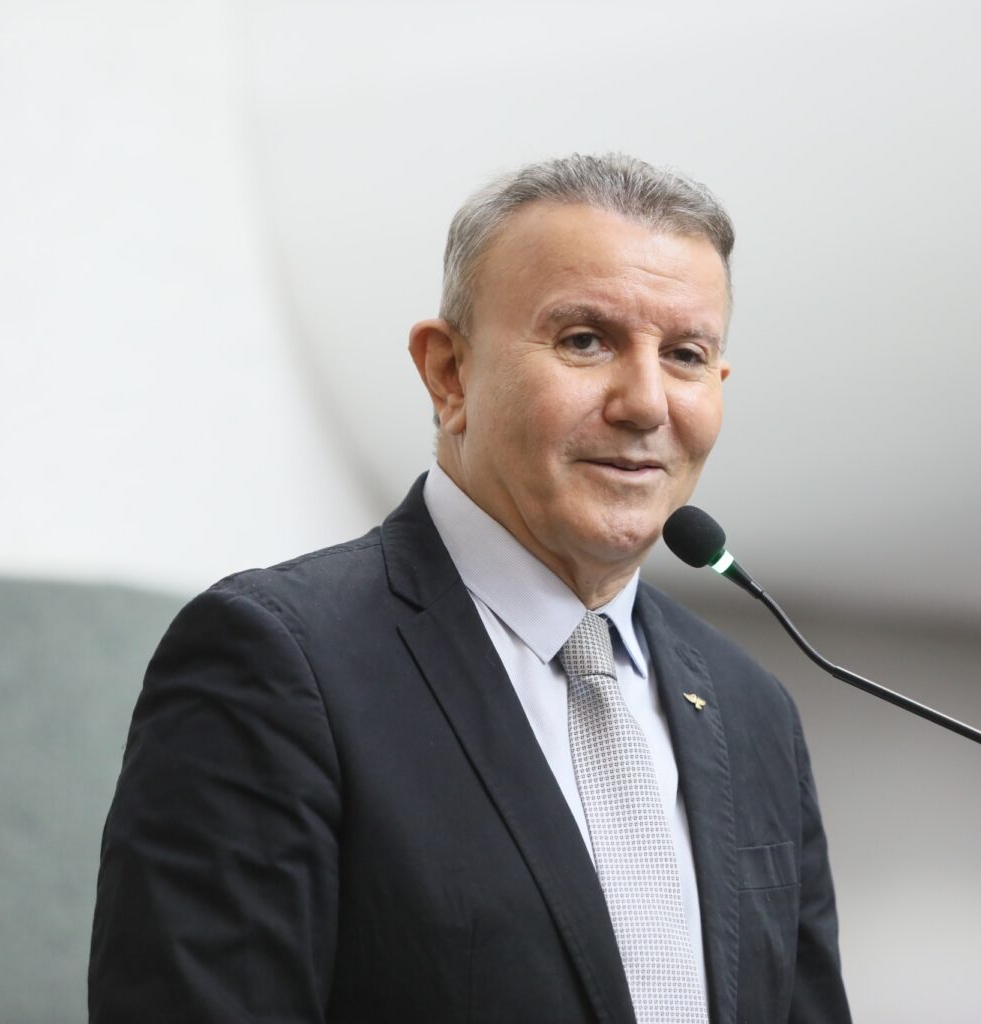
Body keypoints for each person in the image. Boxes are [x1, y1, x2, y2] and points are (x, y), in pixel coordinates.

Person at [88, 153, 853, 1024]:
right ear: (449, 372)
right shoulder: (275, 661)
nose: (646, 404)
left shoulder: (753, 711)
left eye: (685, 355)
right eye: (585, 340)